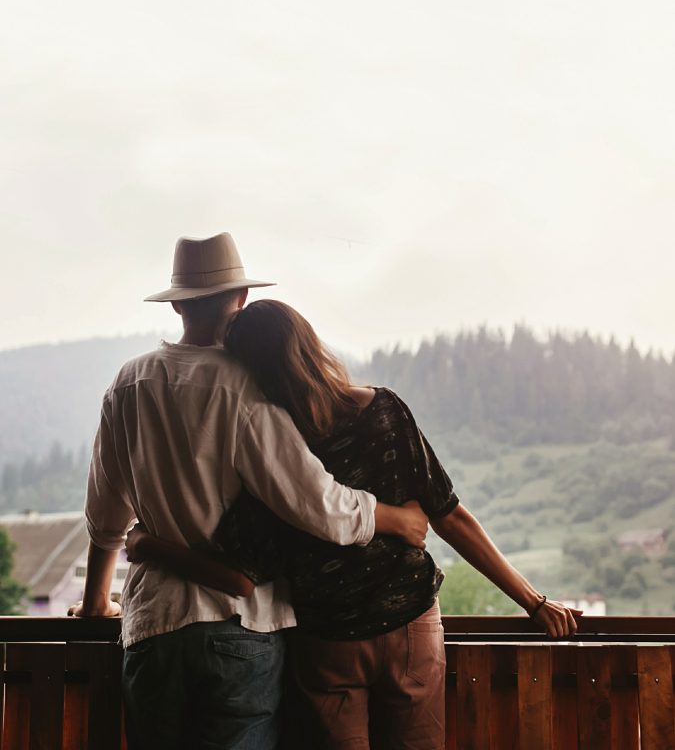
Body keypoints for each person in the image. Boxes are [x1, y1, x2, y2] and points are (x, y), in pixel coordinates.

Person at [126, 299, 581, 750]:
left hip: (329, 643)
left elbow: (239, 574)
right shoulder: (383, 412)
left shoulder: (275, 453)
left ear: (248, 372)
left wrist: (148, 545)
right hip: (409, 625)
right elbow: (450, 516)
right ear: (307, 343)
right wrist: (534, 603)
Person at [68, 233, 429, 750]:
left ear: (176, 304)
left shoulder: (128, 383)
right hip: (243, 624)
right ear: (238, 301)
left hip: (153, 625)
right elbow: (319, 507)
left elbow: (105, 518)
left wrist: (96, 603)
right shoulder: (247, 386)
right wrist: (394, 518)